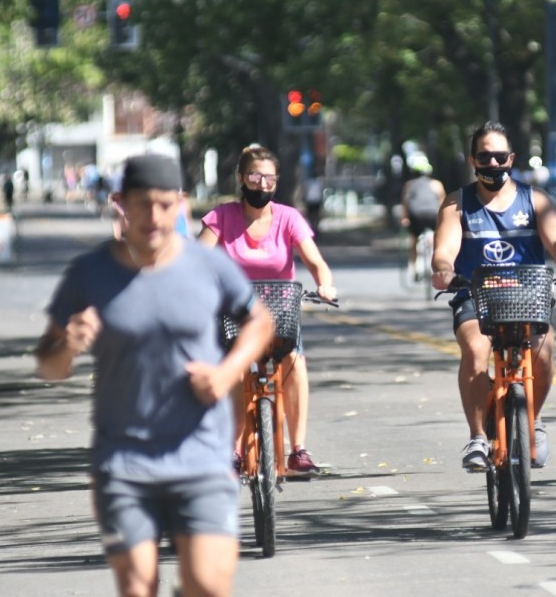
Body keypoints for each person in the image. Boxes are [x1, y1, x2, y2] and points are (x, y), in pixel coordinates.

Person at [35, 153, 275, 597]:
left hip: (201, 457)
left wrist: (226, 374)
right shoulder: (89, 275)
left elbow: (259, 322)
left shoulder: (209, 266)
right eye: (142, 203)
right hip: (124, 462)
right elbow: (48, 366)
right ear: (121, 203)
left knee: (207, 584)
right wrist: (68, 343)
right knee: (138, 587)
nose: (154, 216)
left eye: (166, 204)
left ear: (180, 204)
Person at [431, 121, 556, 471]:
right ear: (473, 160)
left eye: (499, 157)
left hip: (527, 294)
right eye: (484, 156)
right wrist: (443, 269)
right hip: (476, 295)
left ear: (511, 158)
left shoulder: (536, 200)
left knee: (543, 351)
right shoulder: (456, 204)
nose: (493, 164)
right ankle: (477, 438)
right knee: (474, 351)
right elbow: (444, 251)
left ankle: (532, 420)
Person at [198, 144, 337, 478]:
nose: (262, 185)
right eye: (255, 176)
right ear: (241, 178)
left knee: (294, 361)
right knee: (234, 364)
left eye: (269, 178)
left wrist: (326, 285)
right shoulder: (221, 217)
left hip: (279, 311)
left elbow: (316, 262)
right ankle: (231, 449)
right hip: (233, 313)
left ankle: (298, 449)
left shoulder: (288, 217)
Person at [400, 162, 445, 279]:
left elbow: (406, 203)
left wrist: (404, 218)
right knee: (438, 238)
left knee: (413, 240)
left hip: (416, 215)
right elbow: (442, 201)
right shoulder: (436, 184)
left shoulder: (409, 184)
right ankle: (437, 265)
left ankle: (413, 268)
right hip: (433, 214)